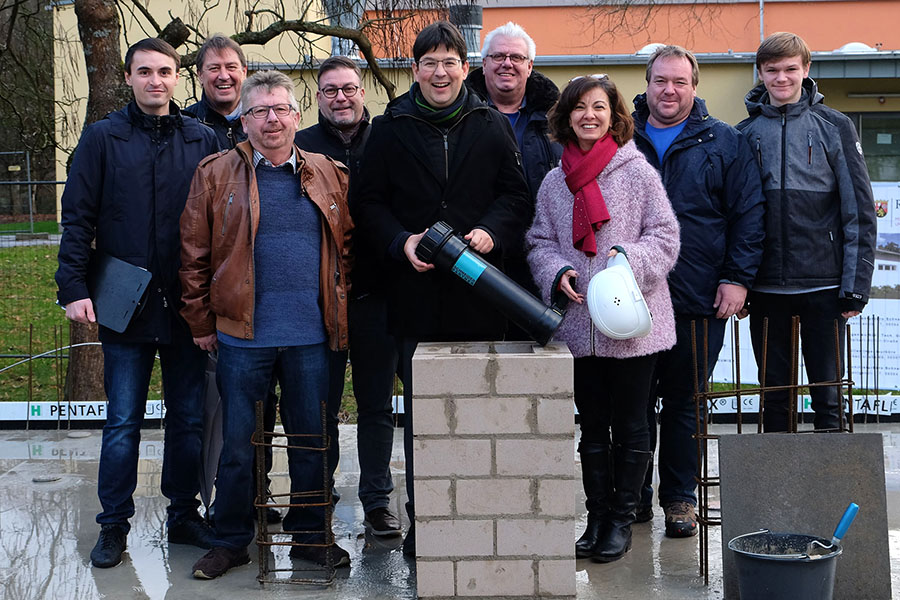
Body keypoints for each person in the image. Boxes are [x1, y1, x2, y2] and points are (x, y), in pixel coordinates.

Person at [354, 21, 530, 556]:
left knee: (476, 408)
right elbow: (368, 204)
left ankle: (475, 517)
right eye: (428, 62)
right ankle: (425, 524)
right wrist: (400, 242)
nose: (439, 72)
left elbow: (516, 196)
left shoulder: (489, 123)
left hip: (478, 295)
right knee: (424, 417)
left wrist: (491, 232)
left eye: (449, 61)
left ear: (463, 67)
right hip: (415, 297)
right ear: (415, 70)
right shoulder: (389, 127)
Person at [180, 70, 353, 579]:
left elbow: (347, 250)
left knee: (311, 440)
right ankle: (231, 539)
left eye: (280, 109)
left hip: (312, 336)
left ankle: (311, 537)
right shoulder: (215, 174)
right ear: (243, 119)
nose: (271, 119)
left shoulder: (330, 173)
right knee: (238, 444)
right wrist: (200, 321)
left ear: (298, 116)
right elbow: (193, 254)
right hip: (241, 335)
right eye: (259, 111)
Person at [55, 37, 220, 569]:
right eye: (145, 71)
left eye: (165, 71)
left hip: (187, 305)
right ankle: (112, 526)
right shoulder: (101, 139)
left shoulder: (203, 139)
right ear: (128, 77)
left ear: (178, 78)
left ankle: (183, 514)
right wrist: (74, 288)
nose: (156, 80)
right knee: (123, 420)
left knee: (188, 419)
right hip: (124, 305)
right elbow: (78, 216)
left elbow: (222, 222)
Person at [526, 74, 679, 563]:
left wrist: (626, 260)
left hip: (632, 320)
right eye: (580, 108)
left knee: (632, 424)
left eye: (599, 107)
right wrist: (557, 270)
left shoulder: (637, 172)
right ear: (566, 116)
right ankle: (594, 519)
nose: (589, 115)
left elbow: (665, 236)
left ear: (614, 117)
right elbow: (539, 242)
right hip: (578, 324)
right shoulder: (555, 181)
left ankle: (621, 520)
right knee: (591, 426)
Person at [632, 45, 766, 538]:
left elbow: (748, 215)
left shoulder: (725, 142)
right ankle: (633, 499)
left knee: (686, 401)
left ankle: (680, 501)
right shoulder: (621, 138)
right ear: (646, 84)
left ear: (695, 86)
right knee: (635, 403)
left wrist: (737, 278)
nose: (670, 90)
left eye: (680, 82)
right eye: (661, 81)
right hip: (633, 296)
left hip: (697, 294)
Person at [737, 32, 876, 433]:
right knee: (774, 399)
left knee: (829, 398)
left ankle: (830, 492)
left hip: (825, 288)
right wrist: (739, 281)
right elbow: (735, 217)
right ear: (760, 73)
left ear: (806, 70)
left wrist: (856, 286)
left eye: (790, 69)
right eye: (773, 70)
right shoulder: (743, 133)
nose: (782, 78)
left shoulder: (835, 126)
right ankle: (780, 494)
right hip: (765, 289)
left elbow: (860, 213)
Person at [295, 56, 402, 537]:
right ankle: (320, 494)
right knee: (322, 403)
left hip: (377, 293)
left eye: (349, 89)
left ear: (363, 94)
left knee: (377, 404)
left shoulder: (387, 138)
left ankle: (377, 501)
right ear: (318, 97)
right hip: (322, 300)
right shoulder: (300, 147)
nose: (341, 97)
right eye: (331, 90)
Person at [465, 21, 562, 321]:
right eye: (498, 57)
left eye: (516, 58)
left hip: (541, 260)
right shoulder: (461, 117)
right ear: (483, 64)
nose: (507, 63)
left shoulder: (557, 121)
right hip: (477, 257)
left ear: (530, 66)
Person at [183, 34, 247, 148]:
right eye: (214, 68)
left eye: (231, 67)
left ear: (244, 72)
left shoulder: (265, 121)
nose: (224, 76)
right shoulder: (184, 126)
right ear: (200, 75)